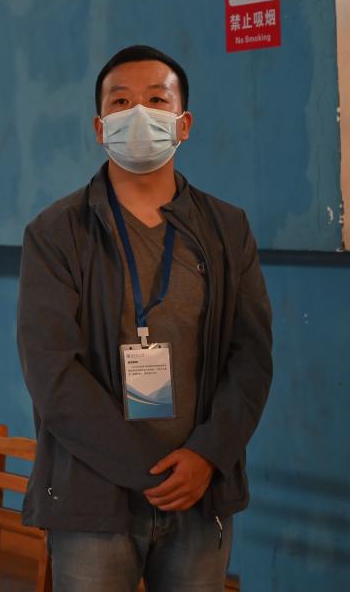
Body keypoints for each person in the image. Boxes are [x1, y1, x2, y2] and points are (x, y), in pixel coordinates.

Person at [17, 45, 273, 591]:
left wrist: (206, 456)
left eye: (157, 100)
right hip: (92, 497)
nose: (138, 113)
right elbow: (51, 372)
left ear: (184, 124)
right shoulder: (56, 233)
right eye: (121, 101)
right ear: (99, 127)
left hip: (201, 493)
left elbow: (251, 358)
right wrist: (151, 470)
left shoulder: (227, 229)